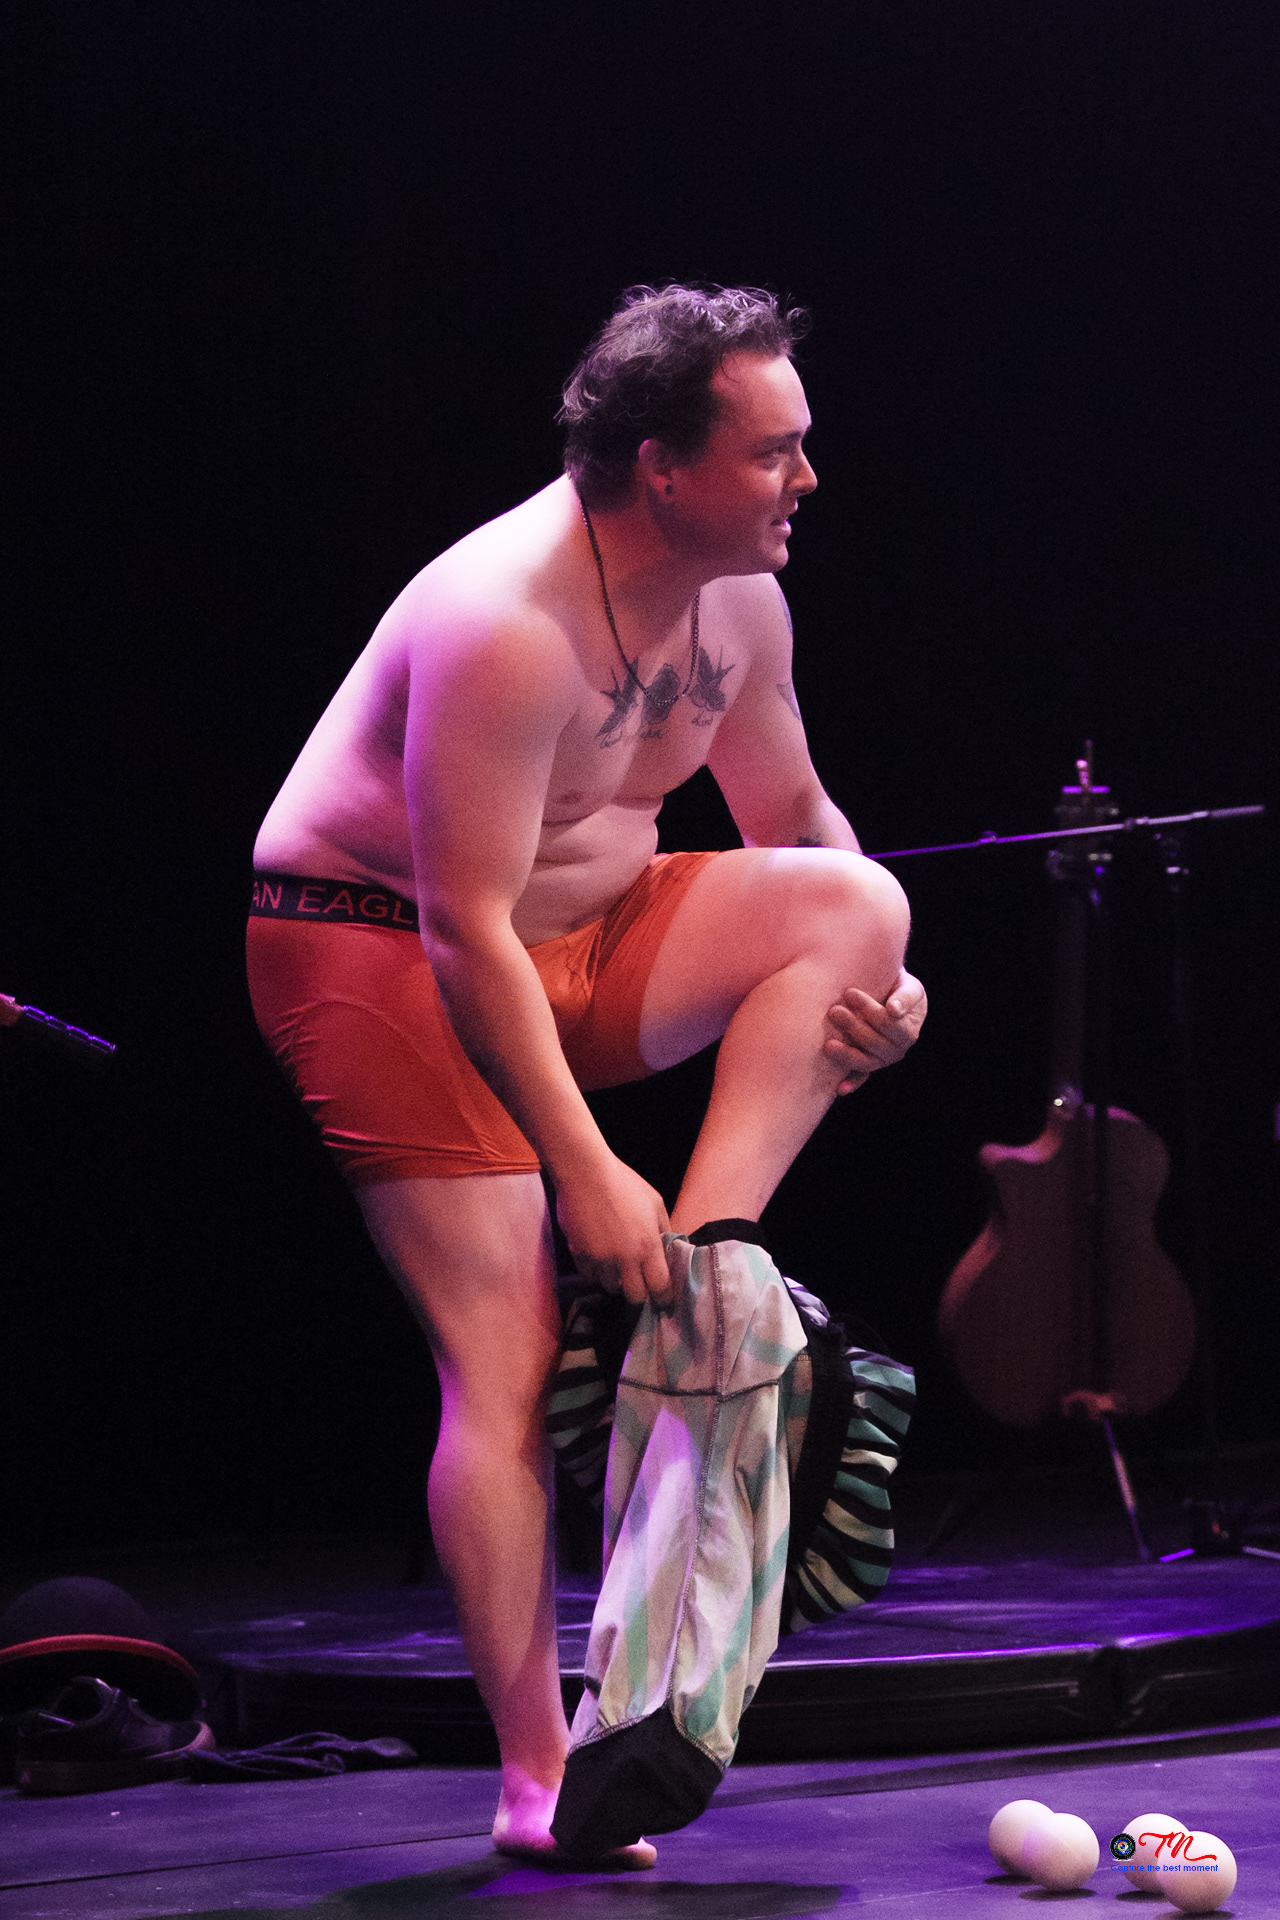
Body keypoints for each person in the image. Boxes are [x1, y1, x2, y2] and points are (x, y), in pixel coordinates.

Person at [247, 284, 926, 1865]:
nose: (807, 480)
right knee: (506, 1351)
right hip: (377, 948)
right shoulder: (503, 620)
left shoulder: (738, 602)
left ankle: (707, 1292)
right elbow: (463, 929)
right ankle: (539, 1775)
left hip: (574, 937)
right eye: (773, 453)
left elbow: (797, 826)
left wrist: (887, 997)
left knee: (861, 905)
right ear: (659, 466)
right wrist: (585, 1170)